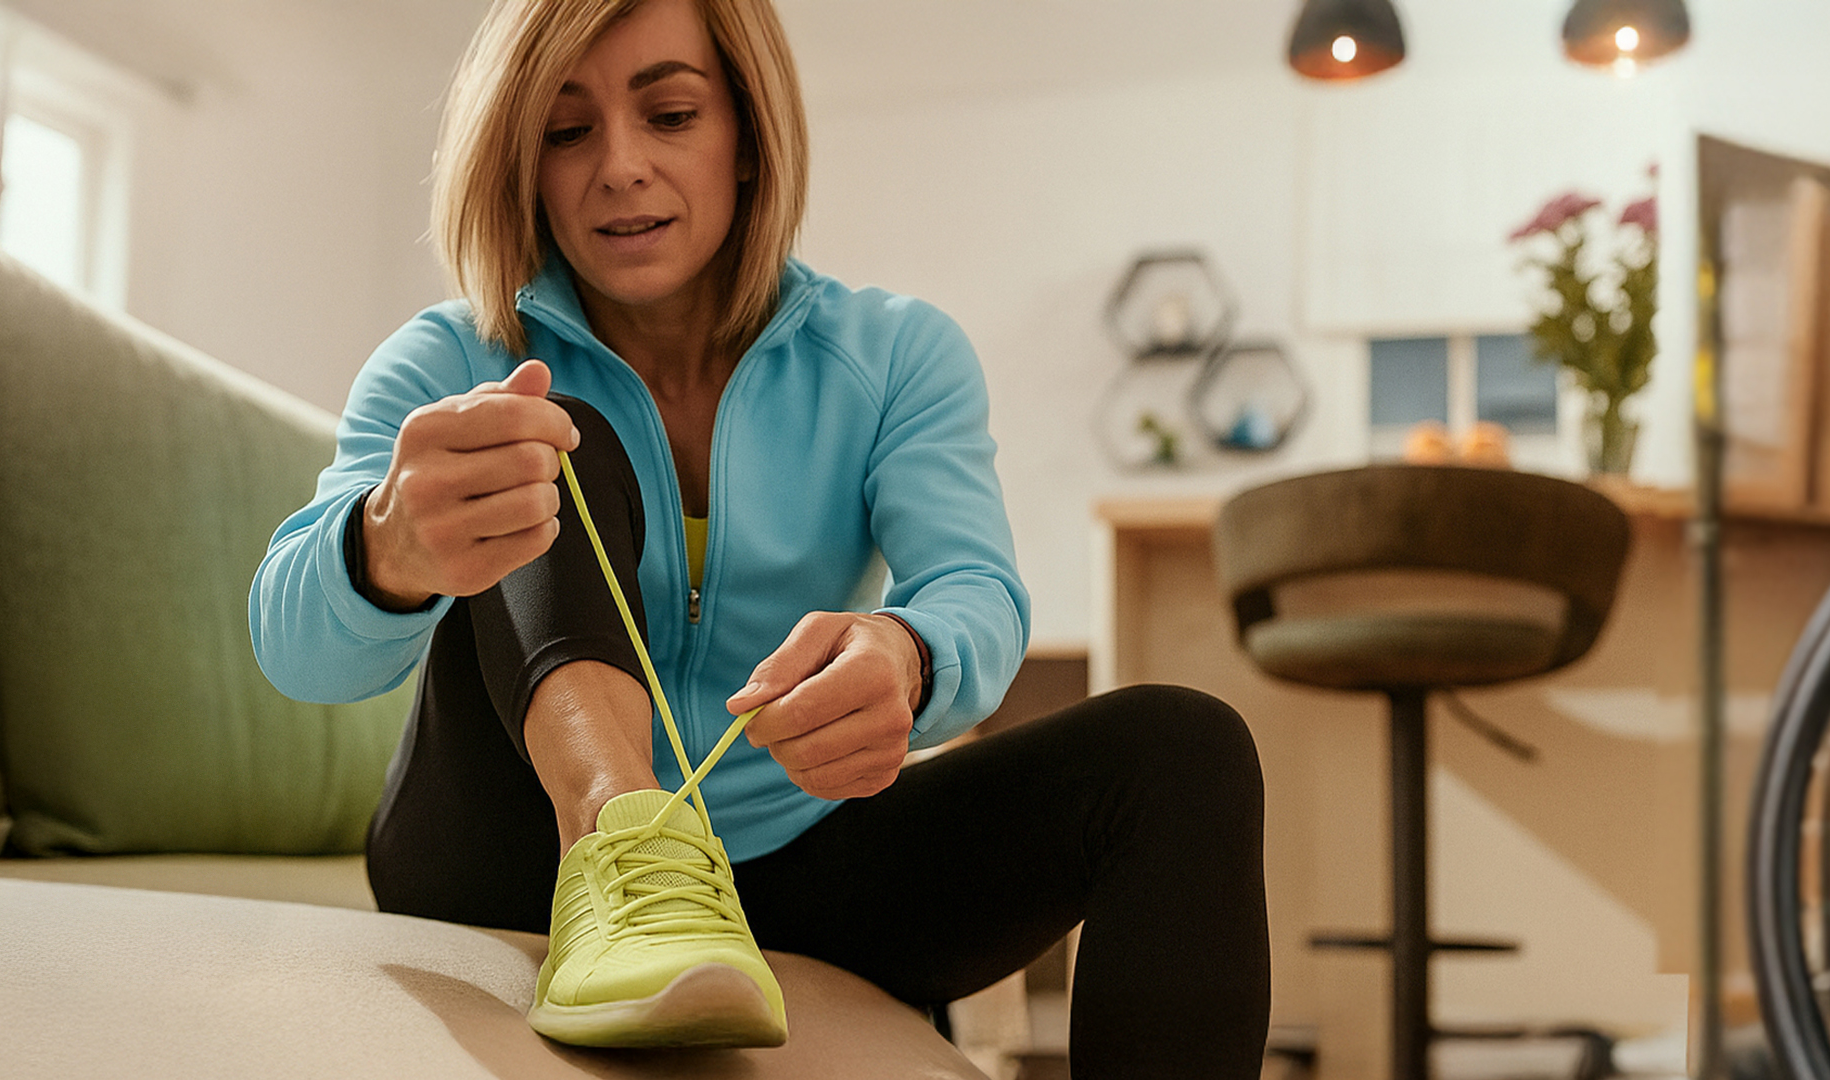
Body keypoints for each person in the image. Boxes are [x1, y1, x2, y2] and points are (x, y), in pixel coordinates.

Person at [249, 0, 1270, 1074]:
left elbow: (974, 586)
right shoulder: (449, 361)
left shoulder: (895, 354)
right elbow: (295, 649)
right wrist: (386, 547)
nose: (620, 167)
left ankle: (678, 896)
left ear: (748, 134)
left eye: (672, 114)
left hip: (794, 858)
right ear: (524, 165)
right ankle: (620, 842)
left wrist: (908, 657)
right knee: (547, 434)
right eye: (566, 131)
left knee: (1184, 749)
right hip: (504, 854)